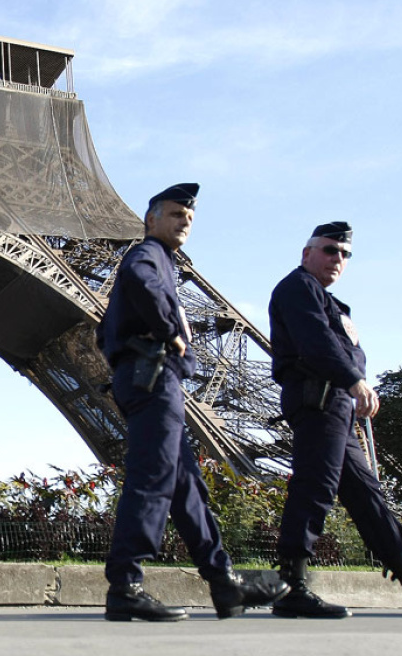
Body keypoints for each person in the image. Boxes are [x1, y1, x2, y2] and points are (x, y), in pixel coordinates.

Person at [96, 183, 287, 621]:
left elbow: (105, 328)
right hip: (153, 376)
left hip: (147, 377)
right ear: (151, 218)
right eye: (176, 214)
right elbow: (142, 287)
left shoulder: (159, 260)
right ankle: (125, 584)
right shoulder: (148, 256)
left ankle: (223, 582)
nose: (184, 222)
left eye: (190, 218)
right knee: (154, 477)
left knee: (186, 487)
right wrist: (172, 333)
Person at [268, 222, 402, 618]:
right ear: (306, 252)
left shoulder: (328, 300)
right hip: (319, 401)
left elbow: (338, 347)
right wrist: (354, 381)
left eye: (345, 254)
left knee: (367, 496)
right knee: (315, 488)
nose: (338, 259)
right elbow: (317, 343)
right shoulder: (297, 288)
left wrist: (354, 384)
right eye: (330, 250)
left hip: (336, 407)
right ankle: (291, 587)